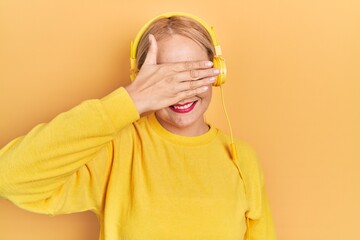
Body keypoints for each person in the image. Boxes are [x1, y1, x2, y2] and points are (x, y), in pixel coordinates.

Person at [0, 12, 276, 240]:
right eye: (164, 78)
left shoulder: (243, 158)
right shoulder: (115, 150)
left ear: (218, 73)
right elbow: (9, 177)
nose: (181, 91)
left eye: (193, 73)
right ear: (141, 77)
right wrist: (130, 100)